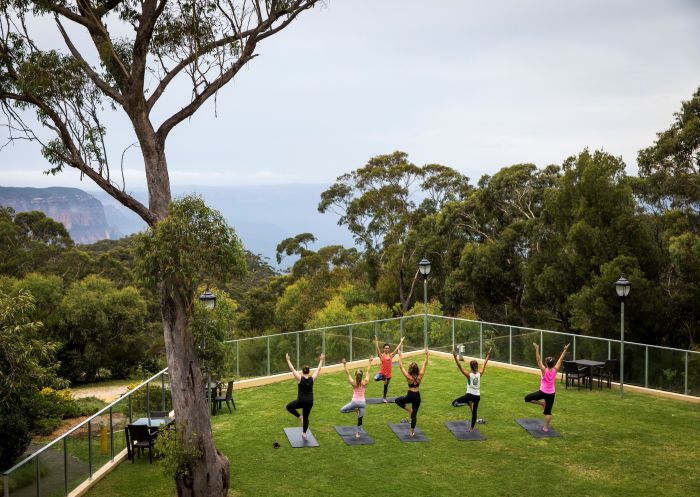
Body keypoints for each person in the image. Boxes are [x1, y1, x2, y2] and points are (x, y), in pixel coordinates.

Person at [524, 342, 569, 432]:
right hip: (551, 394)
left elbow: (538, 359)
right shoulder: (555, 369)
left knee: (527, 398)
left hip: (542, 392)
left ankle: (541, 404)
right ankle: (545, 427)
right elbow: (561, 359)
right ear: (553, 364)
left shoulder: (544, 370)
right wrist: (565, 350)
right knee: (548, 412)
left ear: (547, 363)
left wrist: (537, 349)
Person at [285, 352, 324, 439]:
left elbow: (292, 369)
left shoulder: (299, 378)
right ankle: (304, 433)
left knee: (289, 407)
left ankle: (299, 416)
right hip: (310, 401)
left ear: (302, 372)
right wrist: (321, 360)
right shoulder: (312, 379)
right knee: (306, 417)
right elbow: (318, 370)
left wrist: (288, 360)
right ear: (309, 372)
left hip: (301, 401)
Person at [451, 348, 491, 432]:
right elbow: (484, 364)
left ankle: (467, 403)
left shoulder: (469, 375)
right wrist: (488, 355)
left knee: (454, 403)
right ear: (477, 366)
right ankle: (471, 428)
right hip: (477, 396)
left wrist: (455, 357)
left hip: (469, 395)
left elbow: (460, 367)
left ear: (470, 367)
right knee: (474, 412)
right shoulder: (480, 374)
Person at [394, 348, 429, 437]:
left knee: (397, 400)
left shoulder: (408, 377)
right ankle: (412, 432)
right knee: (414, 415)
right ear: (417, 369)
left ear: (410, 369)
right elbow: (425, 364)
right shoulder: (420, 375)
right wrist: (426, 354)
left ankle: (408, 409)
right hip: (417, 396)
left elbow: (401, 366)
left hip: (410, 395)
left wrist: (400, 356)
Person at [340, 356, 373, 438]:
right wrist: (370, 361)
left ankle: (355, 410)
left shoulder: (353, 383)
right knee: (360, 419)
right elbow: (368, 372)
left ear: (355, 375)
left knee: (342, 410)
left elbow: (347, 373)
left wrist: (344, 365)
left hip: (354, 402)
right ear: (362, 376)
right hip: (362, 403)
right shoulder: (365, 382)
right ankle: (358, 433)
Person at [373, 335, 405, 402]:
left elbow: (396, 349)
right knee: (375, 378)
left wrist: (401, 341)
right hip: (381, 374)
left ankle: (384, 398)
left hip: (388, 375)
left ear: (389, 349)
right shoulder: (381, 356)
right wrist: (376, 341)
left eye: (387, 348)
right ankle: (384, 379)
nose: (386, 349)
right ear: (383, 349)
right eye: (385, 348)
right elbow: (377, 349)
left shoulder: (391, 355)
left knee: (386, 387)